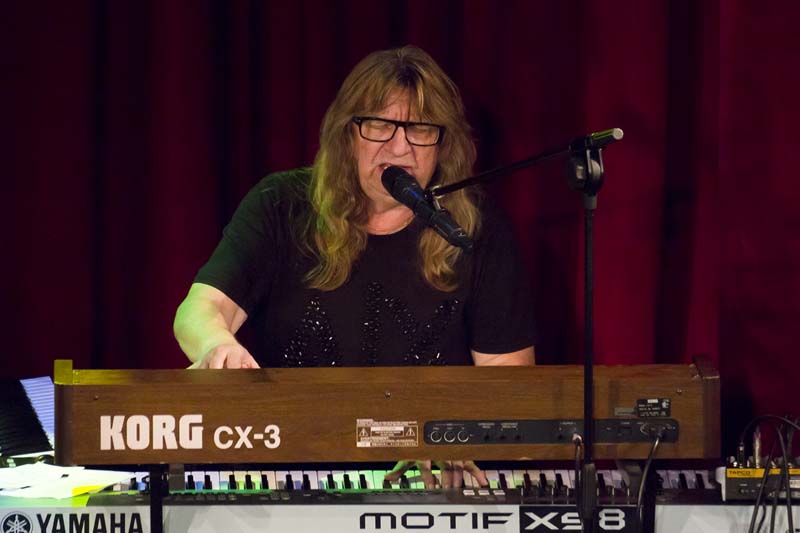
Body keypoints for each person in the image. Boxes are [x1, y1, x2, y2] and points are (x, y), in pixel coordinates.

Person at [174, 45, 535, 489]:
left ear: (444, 145)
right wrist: (216, 345)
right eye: (381, 125)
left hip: (424, 484)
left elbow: (508, 378)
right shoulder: (282, 205)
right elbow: (200, 309)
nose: (400, 147)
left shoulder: (474, 228)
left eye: (421, 129)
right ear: (348, 135)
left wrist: (454, 436)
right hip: (288, 479)